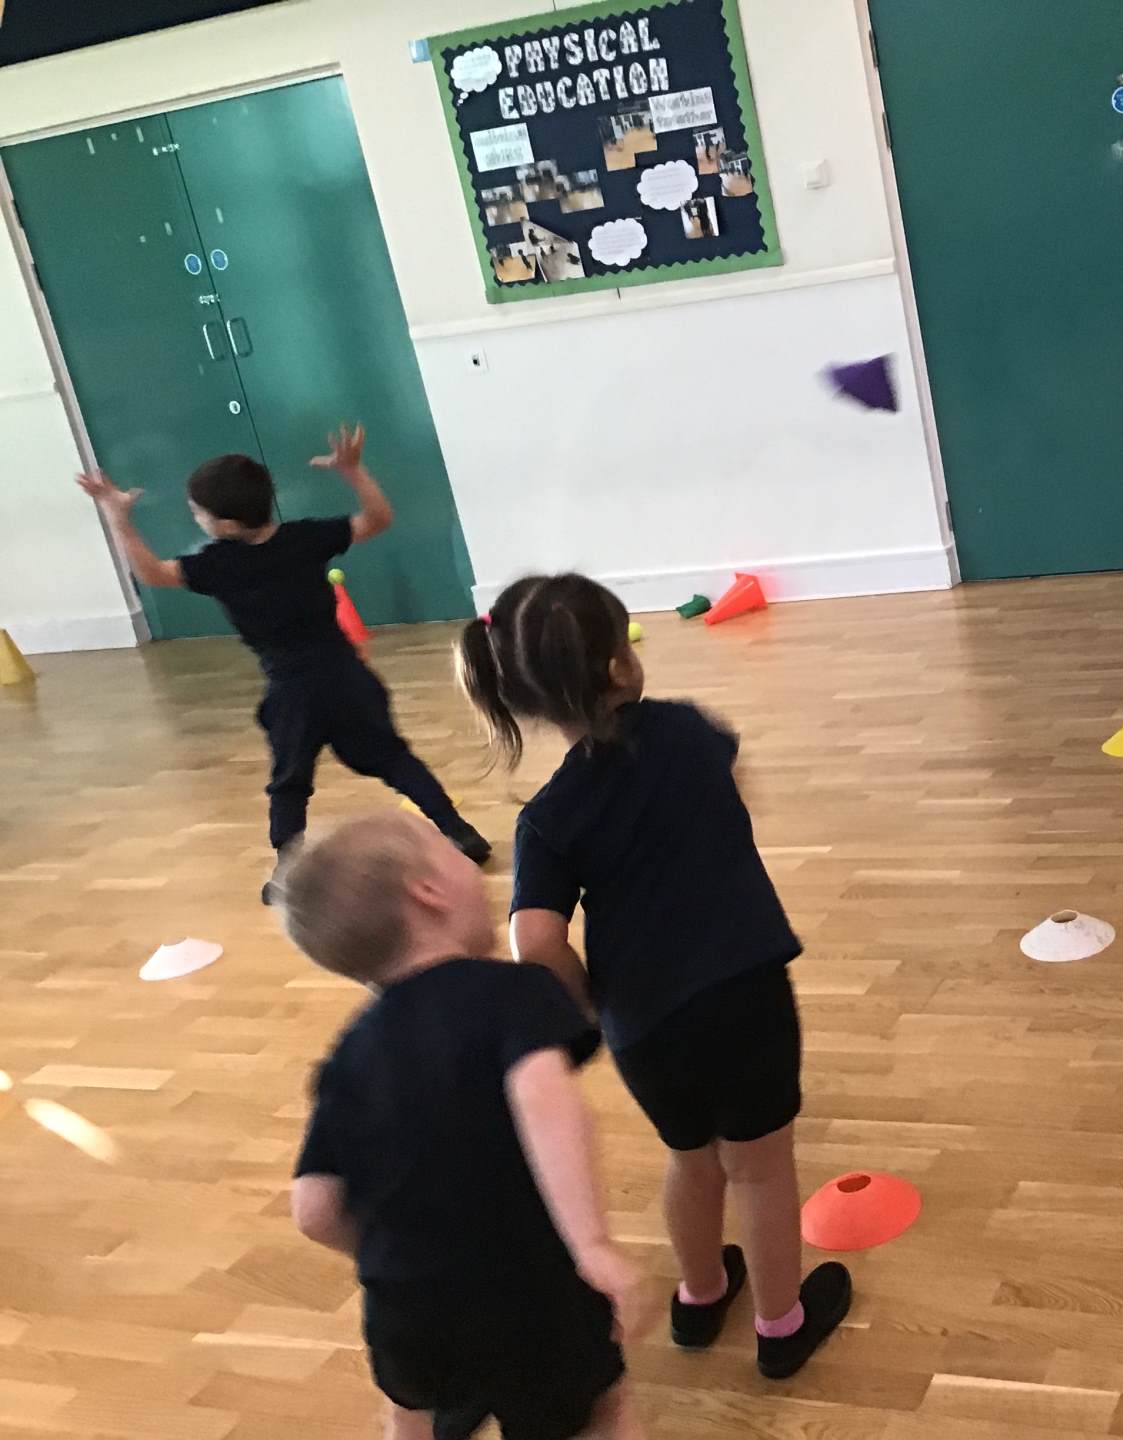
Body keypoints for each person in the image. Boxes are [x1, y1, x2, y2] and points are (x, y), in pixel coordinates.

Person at [456, 573, 851, 1381]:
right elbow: (734, 793)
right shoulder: (688, 730)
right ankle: (780, 1326)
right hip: (743, 992)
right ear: (619, 665)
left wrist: (587, 1005)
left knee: (690, 1155)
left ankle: (701, 1296)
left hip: (644, 1023)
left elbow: (535, 938)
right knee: (760, 1166)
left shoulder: (547, 818)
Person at [282, 812, 644, 1440]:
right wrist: (592, 1246)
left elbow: (313, 1209)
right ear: (428, 891)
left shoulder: (349, 1055)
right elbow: (545, 1101)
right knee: (601, 1412)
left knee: (410, 1413)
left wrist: (398, 1257)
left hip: (405, 1306)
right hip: (529, 1293)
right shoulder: (513, 992)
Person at [76, 426, 489, 902]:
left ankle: (287, 872)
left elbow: (150, 572)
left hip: (292, 692)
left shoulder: (217, 564)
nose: (196, 519)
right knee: (395, 758)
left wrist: (117, 514)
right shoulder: (305, 537)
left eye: (198, 513)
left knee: (290, 785)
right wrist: (353, 471)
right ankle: (458, 831)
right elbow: (378, 519)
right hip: (346, 676)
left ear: (224, 523)